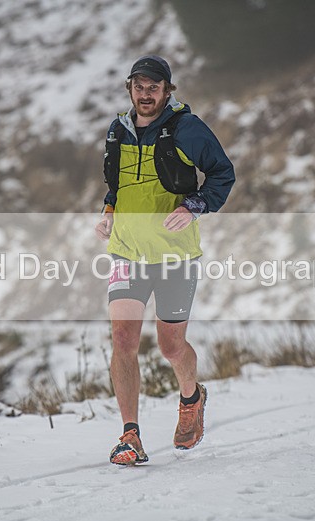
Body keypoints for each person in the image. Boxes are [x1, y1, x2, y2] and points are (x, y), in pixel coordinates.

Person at [94, 55, 235, 465]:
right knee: (123, 340)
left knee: (170, 347)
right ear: (130, 88)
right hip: (126, 251)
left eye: (154, 87)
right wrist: (108, 211)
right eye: (139, 86)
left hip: (174, 254)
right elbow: (115, 184)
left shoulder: (186, 129)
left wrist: (194, 205)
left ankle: (192, 397)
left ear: (167, 90)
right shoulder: (117, 130)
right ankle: (130, 436)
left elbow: (222, 174)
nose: (146, 93)